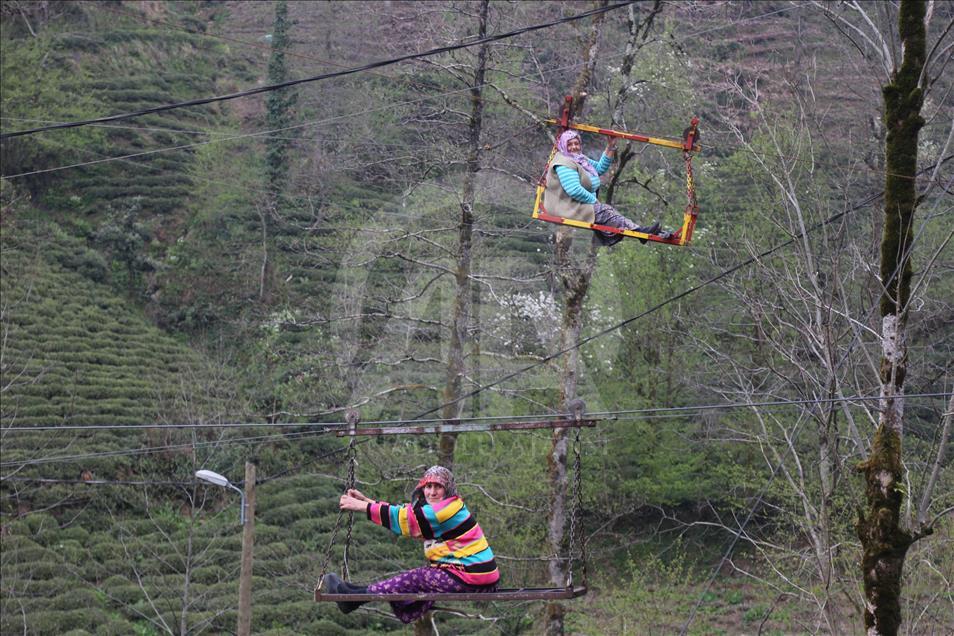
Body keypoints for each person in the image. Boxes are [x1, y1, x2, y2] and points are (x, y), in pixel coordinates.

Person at [324, 465, 500, 623]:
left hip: (474, 577)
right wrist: (367, 502)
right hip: (476, 576)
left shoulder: (444, 511)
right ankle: (355, 594)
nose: (432, 492)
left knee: (419, 577)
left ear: (447, 490)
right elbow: (406, 514)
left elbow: (406, 519)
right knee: (420, 577)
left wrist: (361, 507)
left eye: (438, 487)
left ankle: (355, 598)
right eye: (428, 487)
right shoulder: (449, 507)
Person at [543, 129, 670, 246]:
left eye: (576, 143)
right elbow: (574, 189)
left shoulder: (579, 159)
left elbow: (598, 169)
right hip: (567, 207)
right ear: (564, 145)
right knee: (605, 211)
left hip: (577, 204)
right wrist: (593, 201)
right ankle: (639, 232)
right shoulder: (564, 163)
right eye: (570, 144)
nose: (574, 147)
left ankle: (645, 232)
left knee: (607, 212)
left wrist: (610, 147)